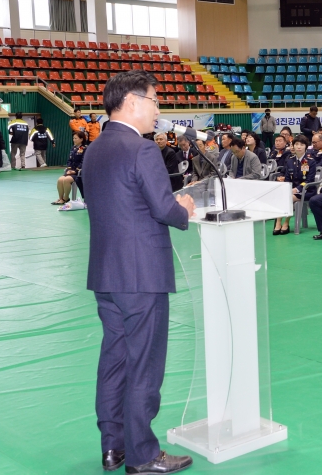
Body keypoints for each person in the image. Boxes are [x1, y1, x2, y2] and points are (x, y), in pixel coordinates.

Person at [80, 70, 195, 474]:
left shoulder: (94, 149)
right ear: (131, 101)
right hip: (141, 275)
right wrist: (184, 208)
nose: (158, 110)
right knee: (144, 364)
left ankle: (113, 446)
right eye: (155, 101)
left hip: (106, 274)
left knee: (115, 360)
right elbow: (164, 208)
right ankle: (144, 455)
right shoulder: (141, 149)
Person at [273, 135, 317, 235]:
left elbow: (310, 180)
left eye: (301, 144)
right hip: (292, 190)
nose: (299, 147)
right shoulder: (290, 161)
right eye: (296, 144)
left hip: (307, 190)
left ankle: (286, 222)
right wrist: (288, 188)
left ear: (306, 146)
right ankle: (278, 222)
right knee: (280, 195)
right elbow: (288, 179)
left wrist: (297, 189)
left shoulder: (310, 161)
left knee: (287, 198)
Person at [52, 131, 88, 204]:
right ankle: (60, 198)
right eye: (73, 138)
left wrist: (75, 171)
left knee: (67, 180)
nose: (74, 140)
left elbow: (83, 161)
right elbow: (69, 160)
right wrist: (69, 169)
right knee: (60, 179)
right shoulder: (73, 148)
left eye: (76, 138)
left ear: (81, 139)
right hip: (71, 171)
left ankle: (66, 198)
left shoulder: (85, 149)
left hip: (79, 173)